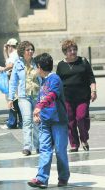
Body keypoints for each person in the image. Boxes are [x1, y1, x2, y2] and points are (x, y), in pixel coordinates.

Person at [28, 53, 70, 188]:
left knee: (60, 150)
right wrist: (37, 112)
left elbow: (52, 95)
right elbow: (41, 98)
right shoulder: (42, 80)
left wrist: (39, 106)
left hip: (58, 120)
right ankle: (41, 178)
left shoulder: (55, 79)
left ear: (39, 67)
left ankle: (63, 177)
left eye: (36, 67)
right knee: (45, 149)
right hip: (45, 120)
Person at [56, 40, 97, 152]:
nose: (73, 52)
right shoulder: (61, 65)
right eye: (70, 50)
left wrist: (93, 91)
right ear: (65, 52)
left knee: (81, 118)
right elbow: (57, 81)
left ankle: (84, 139)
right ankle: (74, 144)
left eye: (74, 49)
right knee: (70, 121)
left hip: (83, 97)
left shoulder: (83, 61)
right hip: (67, 98)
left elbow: (91, 77)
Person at [8, 41, 40, 156]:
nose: (30, 51)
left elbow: (43, 78)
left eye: (32, 49)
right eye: (28, 50)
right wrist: (10, 98)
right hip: (23, 97)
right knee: (27, 121)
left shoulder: (37, 63)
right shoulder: (17, 64)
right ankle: (27, 146)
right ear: (22, 52)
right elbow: (13, 82)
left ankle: (38, 145)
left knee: (37, 121)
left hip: (37, 95)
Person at [0, 38, 22, 129]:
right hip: (15, 81)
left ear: (10, 46)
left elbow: (10, 65)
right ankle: (18, 122)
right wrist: (5, 51)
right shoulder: (15, 54)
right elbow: (8, 61)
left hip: (13, 81)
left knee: (12, 101)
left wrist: (2, 69)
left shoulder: (14, 54)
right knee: (15, 101)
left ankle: (12, 122)